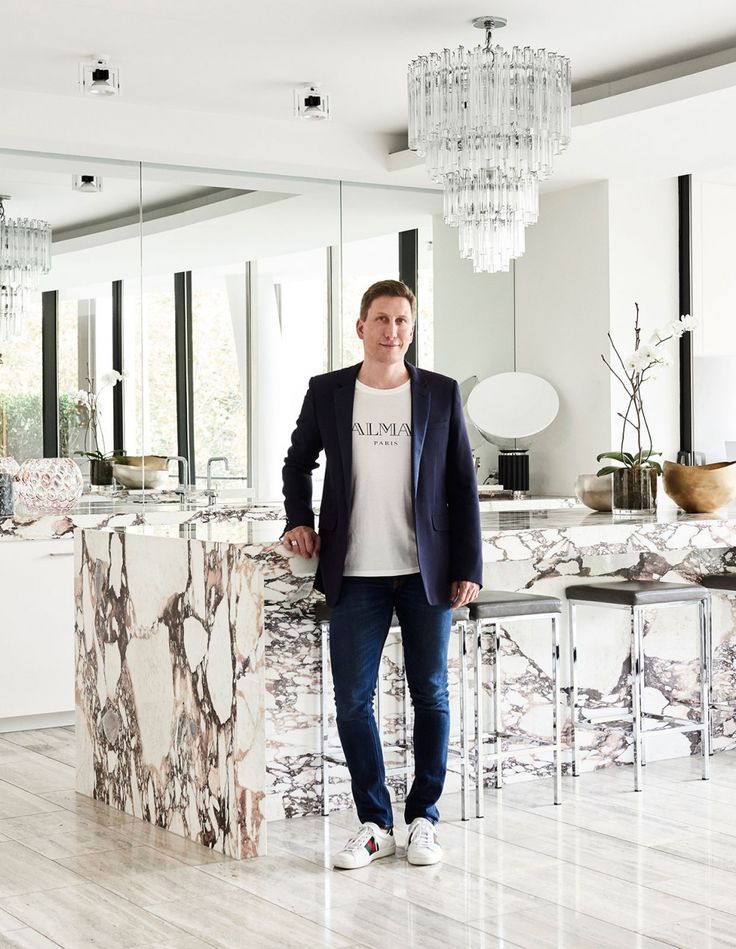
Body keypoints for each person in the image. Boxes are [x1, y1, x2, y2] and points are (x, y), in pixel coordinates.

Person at [282, 279, 482, 869]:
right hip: (356, 572)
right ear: (361, 327)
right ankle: (374, 824)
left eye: (402, 322)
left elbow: (462, 485)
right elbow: (297, 462)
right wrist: (297, 520)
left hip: (427, 573)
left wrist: (468, 564)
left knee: (432, 694)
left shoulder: (441, 394)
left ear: (411, 329)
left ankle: (424, 819)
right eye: (382, 320)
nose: (393, 331)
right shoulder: (329, 391)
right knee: (352, 701)